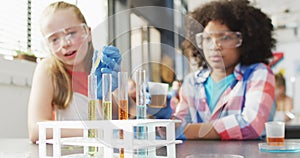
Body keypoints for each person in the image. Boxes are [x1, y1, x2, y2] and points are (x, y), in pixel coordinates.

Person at [170, 0, 276, 140]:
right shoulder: (192, 81)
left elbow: (250, 125)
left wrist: (187, 130)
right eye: (207, 38)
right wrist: (163, 114)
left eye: (225, 37)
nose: (215, 46)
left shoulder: (258, 74)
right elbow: (177, 126)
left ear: (245, 41)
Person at [27, 1, 121, 143]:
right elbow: (35, 130)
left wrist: (109, 95)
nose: (65, 44)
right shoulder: (48, 70)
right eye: (54, 39)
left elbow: (116, 122)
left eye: (71, 33)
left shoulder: (103, 65)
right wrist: (92, 129)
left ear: (88, 33)